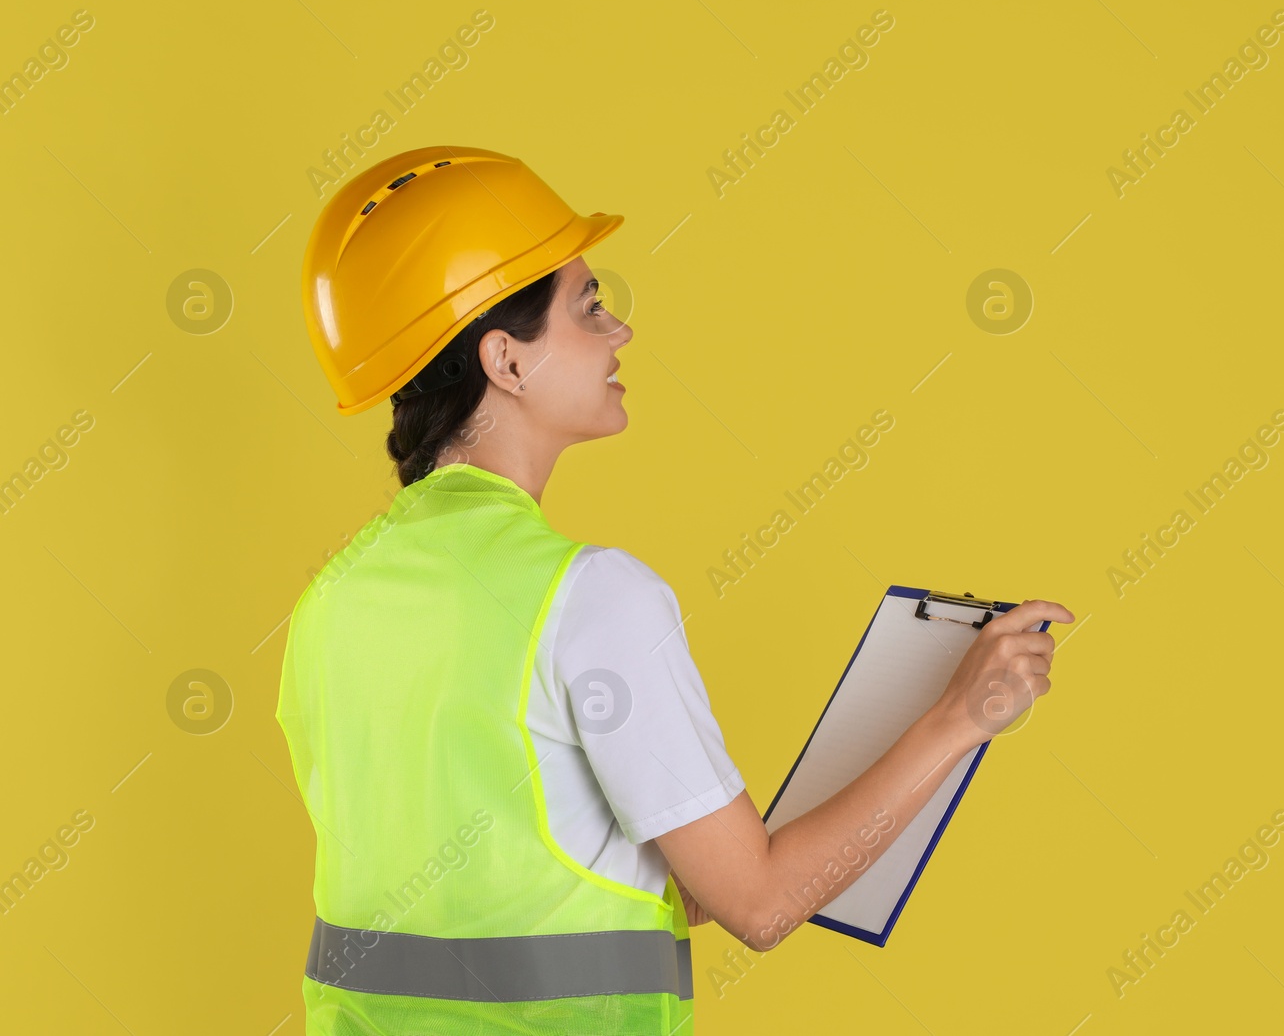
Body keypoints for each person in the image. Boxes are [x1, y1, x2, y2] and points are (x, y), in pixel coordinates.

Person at [277, 145, 1071, 1035]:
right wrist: (964, 713)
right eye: (590, 307)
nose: (620, 333)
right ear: (505, 358)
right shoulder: (592, 597)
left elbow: (512, 884)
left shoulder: (328, 604)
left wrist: (698, 853)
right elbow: (762, 905)